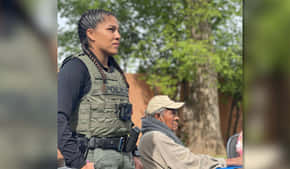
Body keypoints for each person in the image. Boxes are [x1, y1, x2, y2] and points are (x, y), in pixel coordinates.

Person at [57, 9, 143, 169]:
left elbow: (123, 120)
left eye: (118, 30)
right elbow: (57, 118)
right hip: (93, 159)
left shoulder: (116, 73)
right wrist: (79, 163)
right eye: (111, 29)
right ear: (91, 34)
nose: (118, 36)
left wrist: (134, 153)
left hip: (125, 159)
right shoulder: (76, 67)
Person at [138, 95, 243, 169]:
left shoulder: (151, 135)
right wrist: (229, 162)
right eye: (172, 113)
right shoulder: (156, 137)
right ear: (158, 117)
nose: (177, 117)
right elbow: (189, 163)